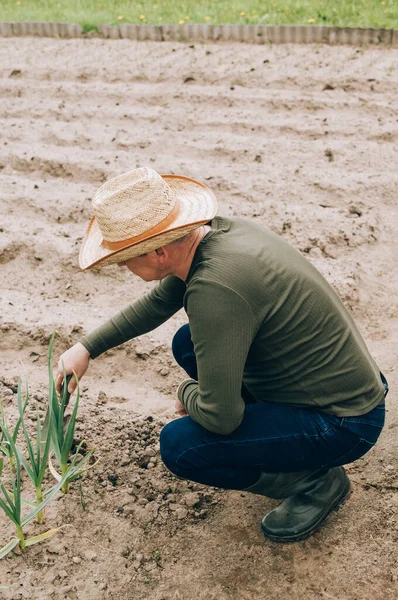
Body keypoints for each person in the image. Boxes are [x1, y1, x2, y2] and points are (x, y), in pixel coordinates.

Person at [56, 166, 388, 543]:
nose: (121, 266)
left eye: (124, 258)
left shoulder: (216, 289)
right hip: (340, 386)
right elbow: (158, 303)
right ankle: (292, 446)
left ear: (160, 252)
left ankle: (316, 481)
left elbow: (220, 417)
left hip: (343, 423)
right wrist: (86, 347)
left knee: (182, 446)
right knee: (187, 342)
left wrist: (187, 395)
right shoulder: (221, 235)